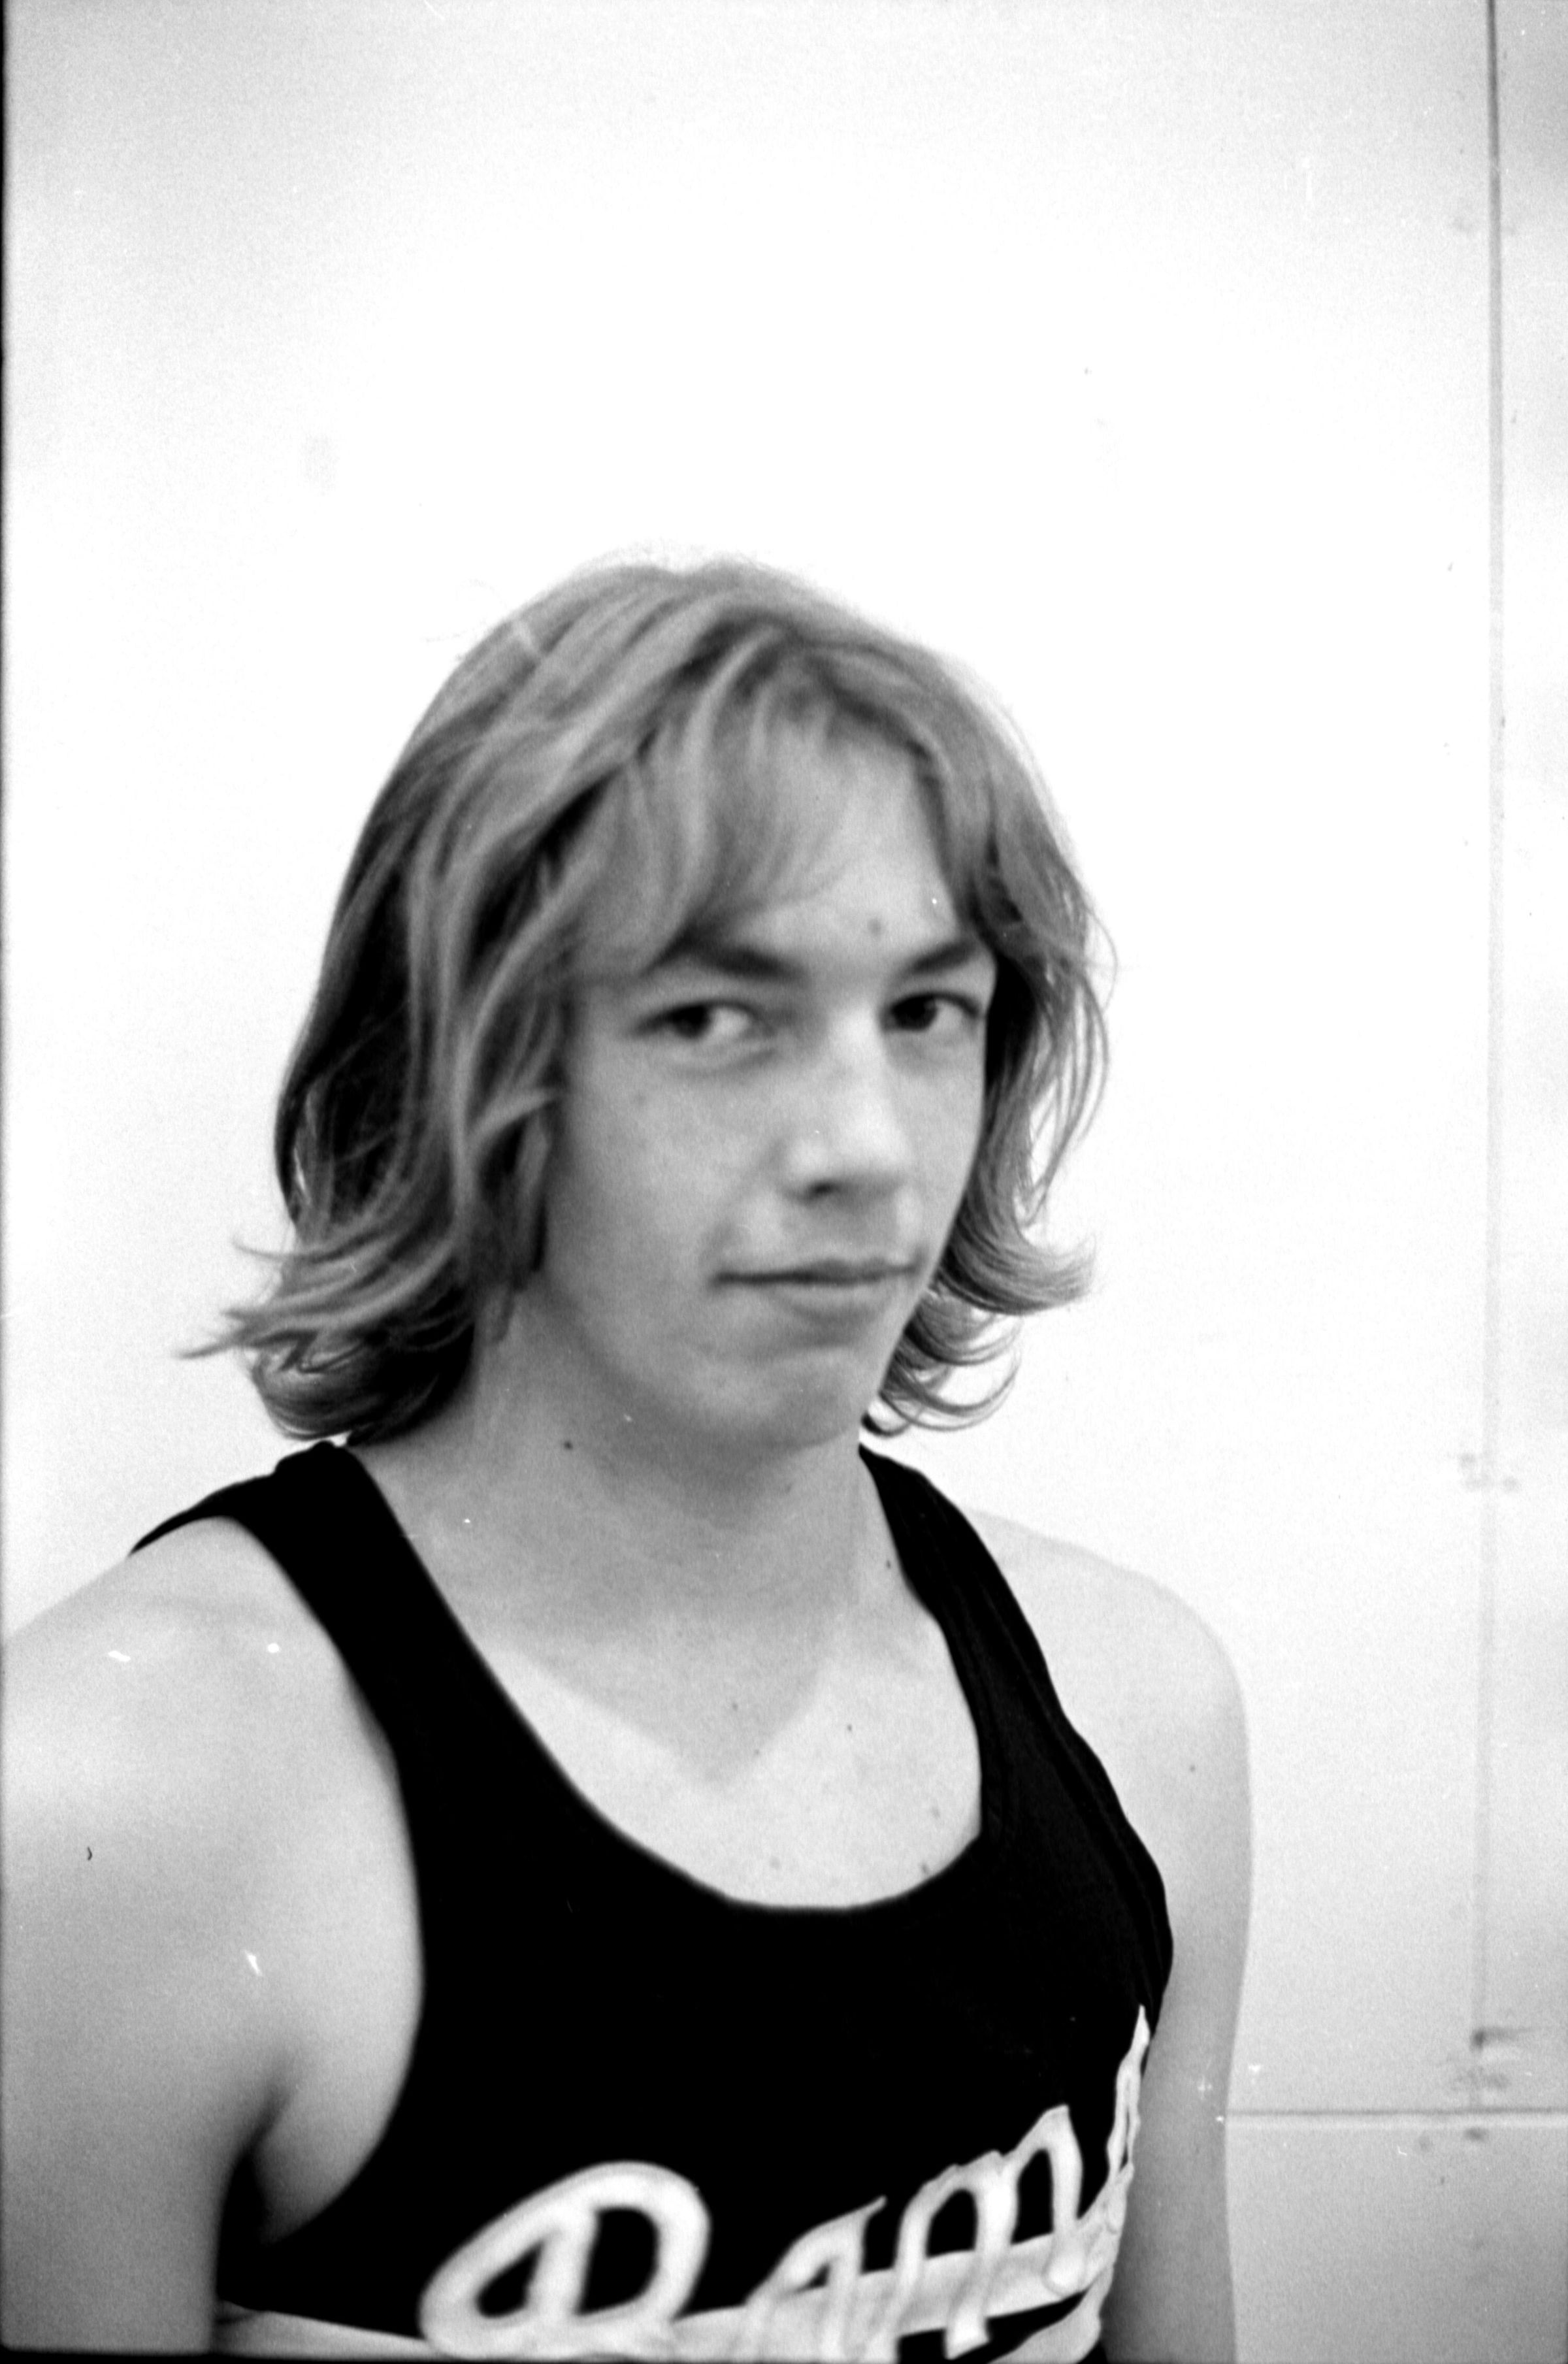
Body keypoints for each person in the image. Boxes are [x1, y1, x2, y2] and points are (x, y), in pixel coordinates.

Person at [2, 557, 1250, 2361]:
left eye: (927, 1011)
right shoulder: (111, 1794)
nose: (868, 1148)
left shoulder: (1139, 1705)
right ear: (467, 1072)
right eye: (717, 1017)